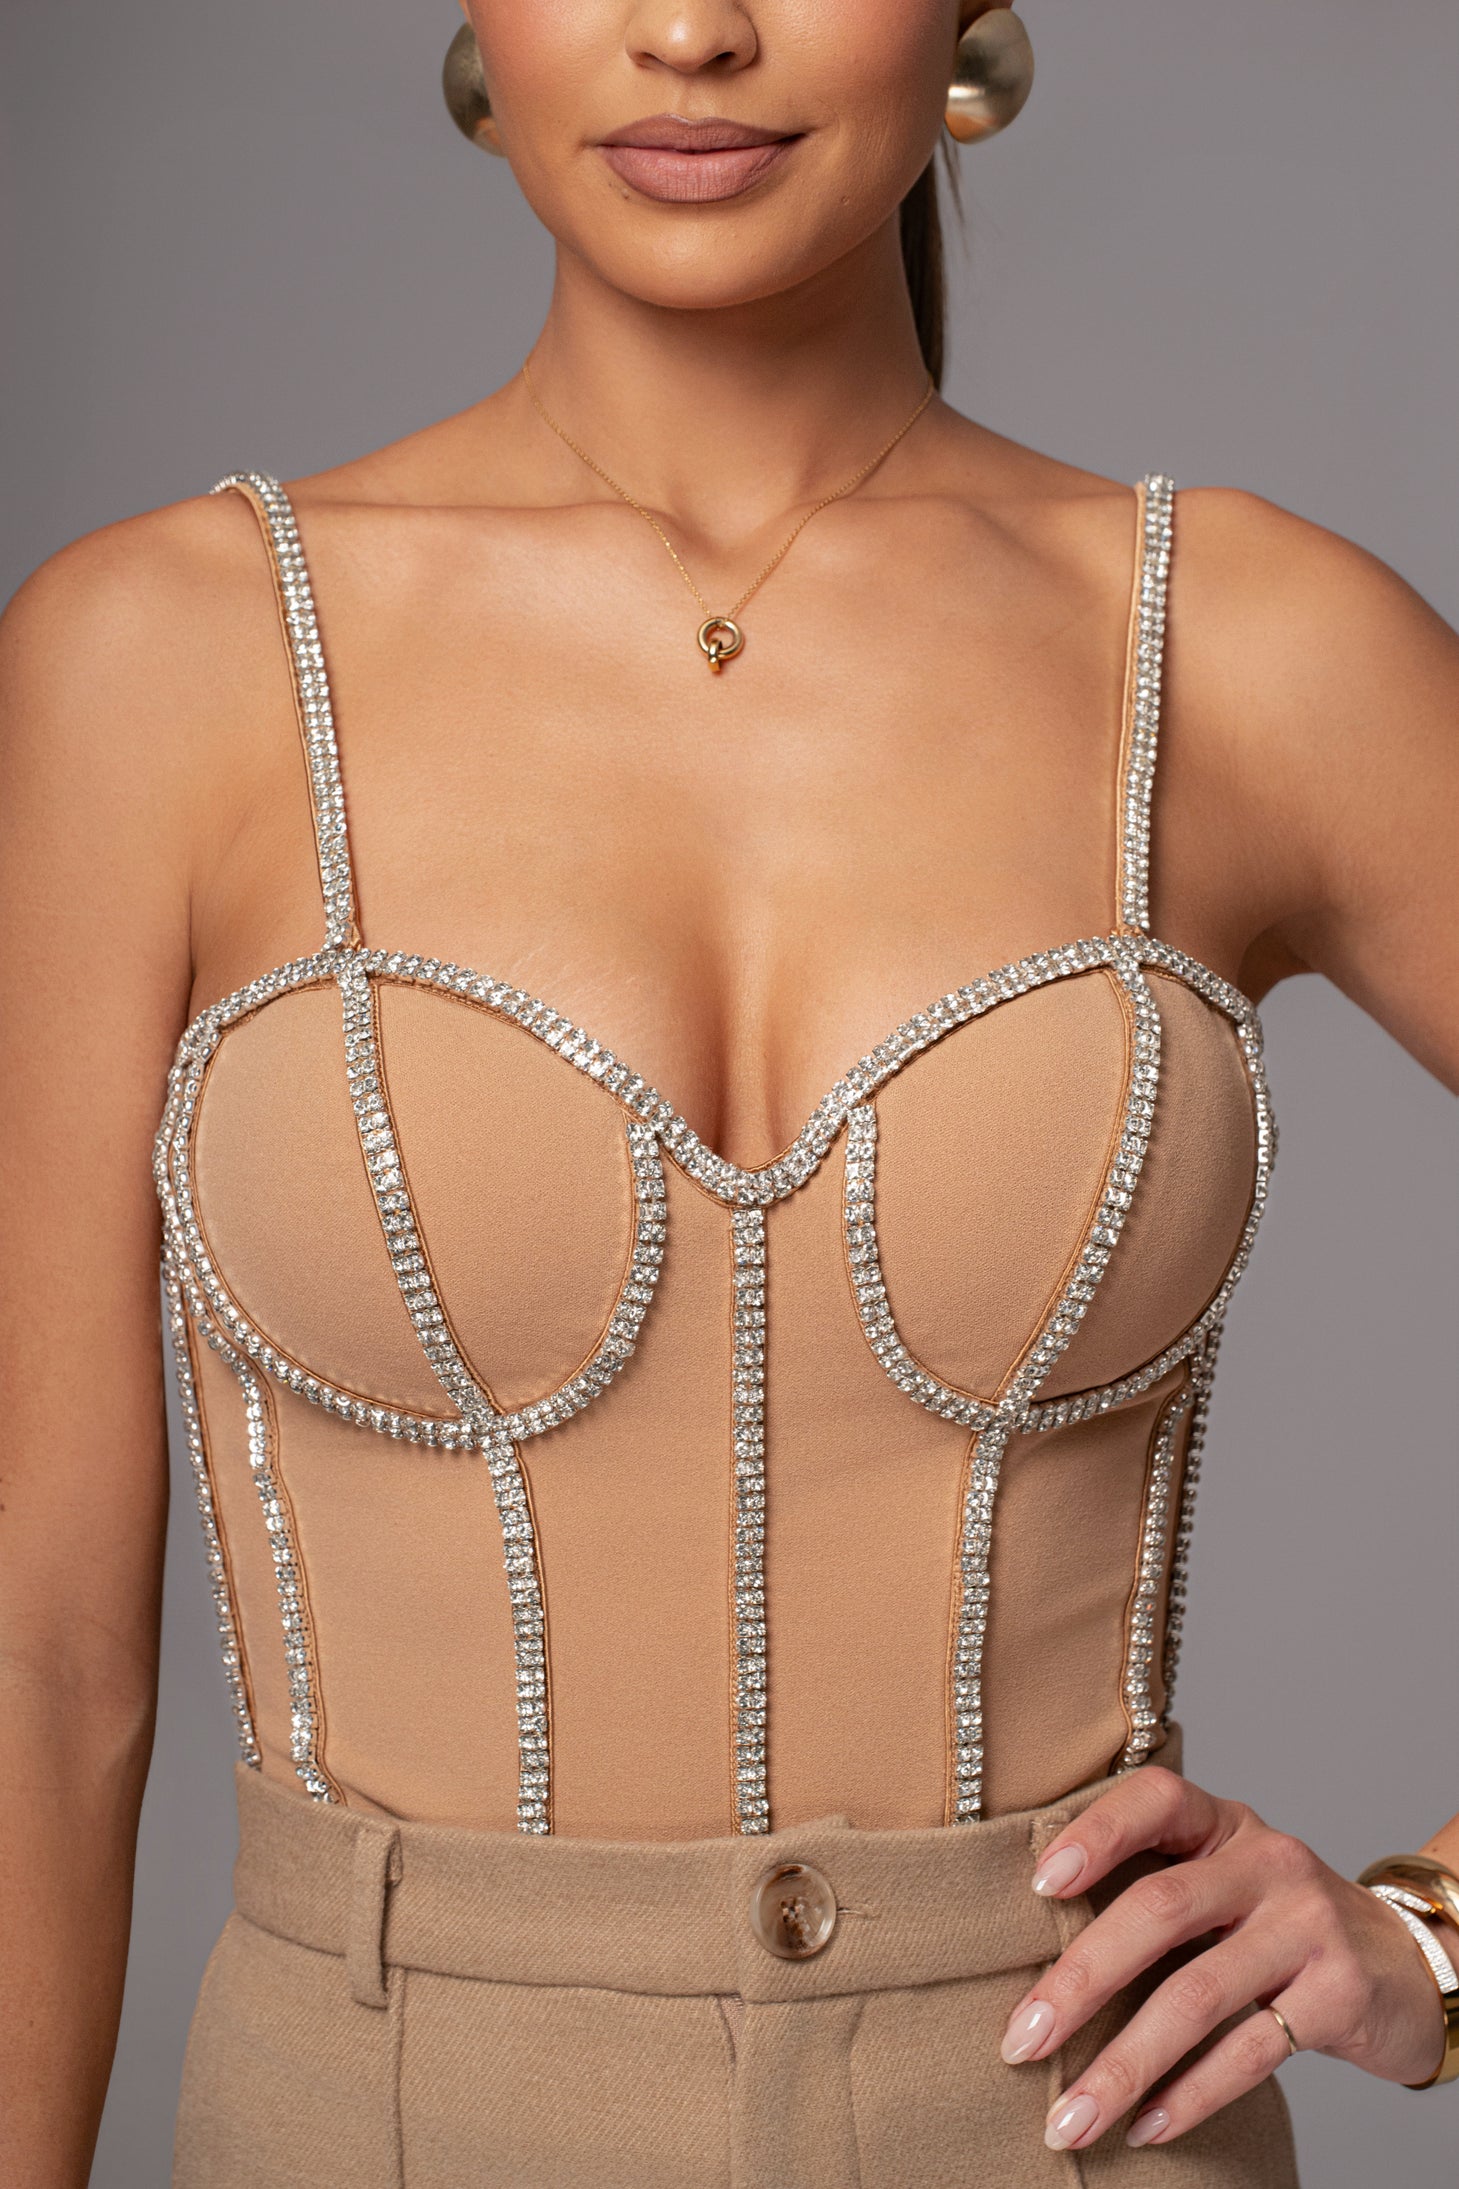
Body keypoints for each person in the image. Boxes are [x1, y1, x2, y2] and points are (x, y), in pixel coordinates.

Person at [1, 4, 1456, 2183]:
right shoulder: (158, 658)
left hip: (1079, 2127)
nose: (692, 30)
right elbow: (42, 1658)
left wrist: (1436, 1936)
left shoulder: (1244, 645)